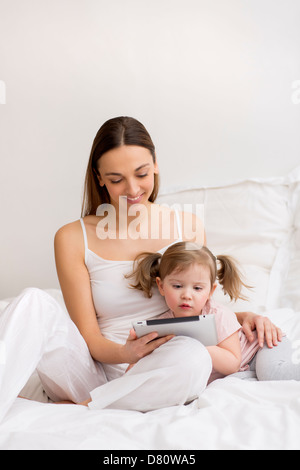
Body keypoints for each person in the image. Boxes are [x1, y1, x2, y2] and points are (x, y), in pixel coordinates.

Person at [0, 116, 282, 420]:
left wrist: (246, 317)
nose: (132, 189)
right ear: (99, 178)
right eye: (116, 179)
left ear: (156, 165)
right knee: (33, 301)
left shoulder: (186, 226)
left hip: (158, 369)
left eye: (141, 173)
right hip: (90, 373)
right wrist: (125, 354)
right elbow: (90, 339)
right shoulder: (71, 237)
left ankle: (80, 411)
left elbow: (197, 304)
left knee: (195, 357)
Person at [125, 241, 300, 383]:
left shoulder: (218, 314)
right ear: (161, 286)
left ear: (210, 291)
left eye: (197, 288)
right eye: (177, 286)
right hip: (240, 368)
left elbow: (232, 363)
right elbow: (138, 365)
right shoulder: (163, 325)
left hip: (261, 346)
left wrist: (197, 345)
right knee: (233, 383)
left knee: (271, 374)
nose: (187, 295)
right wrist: (130, 373)